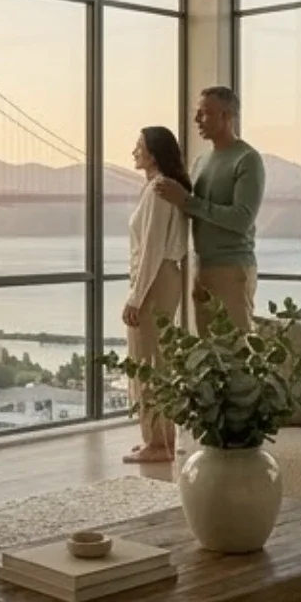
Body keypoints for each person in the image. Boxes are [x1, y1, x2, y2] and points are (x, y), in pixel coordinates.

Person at [157, 85, 266, 333]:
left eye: (204, 113)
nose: (196, 119)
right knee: (207, 357)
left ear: (227, 116)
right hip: (201, 267)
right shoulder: (201, 161)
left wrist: (186, 200)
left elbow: (242, 219)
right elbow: (191, 210)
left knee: (233, 352)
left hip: (232, 269)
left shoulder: (248, 159)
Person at [122, 126, 191, 464]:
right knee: (155, 359)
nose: (134, 151)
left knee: (148, 362)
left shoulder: (158, 190)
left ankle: (159, 444)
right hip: (160, 278)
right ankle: (159, 437)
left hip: (156, 280)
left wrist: (135, 298)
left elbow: (150, 249)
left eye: (139, 146)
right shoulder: (156, 188)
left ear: (153, 152)